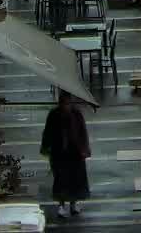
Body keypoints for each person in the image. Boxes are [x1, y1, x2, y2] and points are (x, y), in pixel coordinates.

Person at [40, 90, 91, 218]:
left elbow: (82, 132)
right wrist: (46, 148)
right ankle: (61, 205)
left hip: (75, 152)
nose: (65, 106)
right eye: (63, 103)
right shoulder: (54, 114)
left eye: (67, 103)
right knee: (60, 179)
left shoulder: (76, 114)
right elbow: (47, 133)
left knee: (75, 179)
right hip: (59, 152)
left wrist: (84, 149)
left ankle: (73, 204)